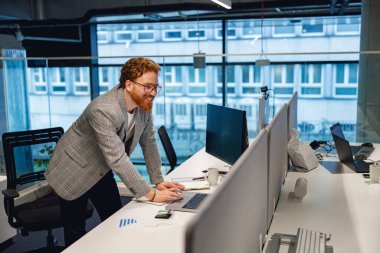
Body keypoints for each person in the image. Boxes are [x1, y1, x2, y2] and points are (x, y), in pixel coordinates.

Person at [45, 57, 184, 247]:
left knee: (116, 220)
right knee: (76, 234)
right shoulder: (103, 110)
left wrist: (158, 181)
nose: (152, 93)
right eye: (147, 87)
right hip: (72, 170)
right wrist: (150, 194)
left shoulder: (143, 107)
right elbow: (118, 158)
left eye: (155, 87)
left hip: (100, 167)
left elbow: (149, 142)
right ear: (128, 84)